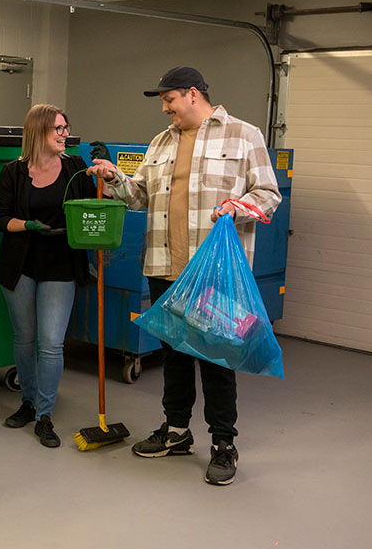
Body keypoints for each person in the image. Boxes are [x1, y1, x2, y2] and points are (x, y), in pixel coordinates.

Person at [87, 66, 281, 484]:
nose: (165, 108)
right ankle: (176, 431)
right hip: (164, 267)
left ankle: (223, 443)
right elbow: (138, 196)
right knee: (173, 354)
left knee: (215, 358)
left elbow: (268, 195)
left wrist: (236, 206)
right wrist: (114, 177)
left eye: (169, 100)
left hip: (213, 273)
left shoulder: (244, 136)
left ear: (193, 94)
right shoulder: (159, 143)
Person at [0, 104, 96, 448]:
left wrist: (105, 177)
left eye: (66, 128)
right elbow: (1, 218)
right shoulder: (13, 173)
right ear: (38, 132)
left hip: (60, 264)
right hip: (20, 264)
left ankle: (45, 416)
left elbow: (97, 205)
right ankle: (28, 401)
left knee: (50, 343)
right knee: (24, 338)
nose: (65, 134)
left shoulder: (76, 168)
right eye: (58, 129)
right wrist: (28, 225)